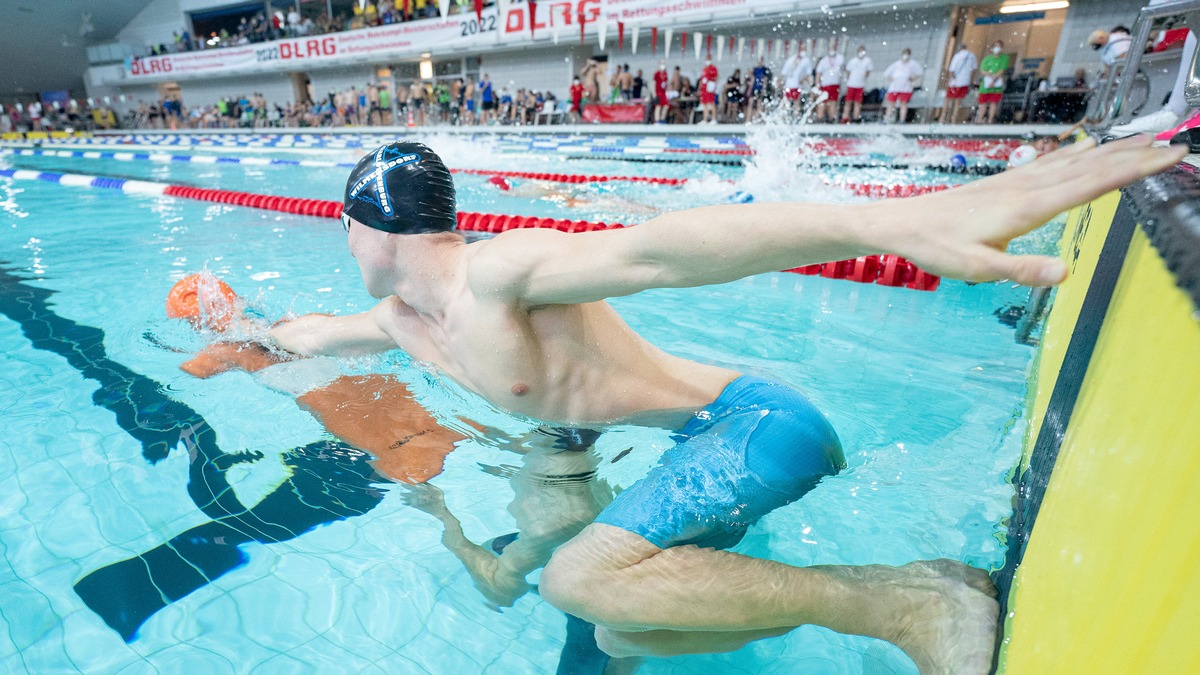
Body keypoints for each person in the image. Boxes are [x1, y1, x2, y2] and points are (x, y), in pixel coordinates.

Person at [260, 136, 1185, 673]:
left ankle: (897, 607)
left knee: (572, 582)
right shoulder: (401, 317)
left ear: (363, 223)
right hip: (705, 447)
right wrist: (246, 333)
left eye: (343, 225)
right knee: (623, 626)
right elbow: (312, 334)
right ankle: (920, 583)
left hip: (756, 425)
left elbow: (666, 247)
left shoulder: (495, 273)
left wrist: (877, 223)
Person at [883, 48, 923, 123]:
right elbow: (886, 73)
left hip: (905, 88)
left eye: (907, 54)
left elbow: (920, 72)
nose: (905, 56)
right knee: (891, 103)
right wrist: (892, 79)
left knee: (903, 103)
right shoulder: (897, 64)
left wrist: (913, 78)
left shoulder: (912, 64)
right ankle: (886, 119)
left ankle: (902, 120)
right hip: (895, 87)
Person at [942, 43, 977, 124]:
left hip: (955, 81)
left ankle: (943, 117)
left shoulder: (957, 56)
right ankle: (954, 118)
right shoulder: (972, 56)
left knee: (947, 99)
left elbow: (951, 70)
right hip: (965, 81)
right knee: (958, 101)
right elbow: (974, 69)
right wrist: (970, 81)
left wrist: (950, 80)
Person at [975, 41, 1008, 124]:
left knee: (994, 102)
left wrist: (994, 80)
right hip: (985, 84)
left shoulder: (1004, 58)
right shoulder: (986, 59)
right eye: (995, 46)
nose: (997, 48)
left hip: (996, 84)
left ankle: (990, 120)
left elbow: (1002, 70)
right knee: (983, 103)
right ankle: (980, 119)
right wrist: (990, 75)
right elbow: (982, 70)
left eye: (999, 46)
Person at [841, 46, 872, 123]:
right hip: (851, 85)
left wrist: (863, 78)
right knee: (848, 102)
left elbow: (868, 72)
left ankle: (856, 117)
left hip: (860, 85)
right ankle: (845, 117)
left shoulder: (867, 61)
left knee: (857, 103)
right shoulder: (852, 61)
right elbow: (848, 71)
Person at [781, 47, 814, 117]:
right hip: (788, 85)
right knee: (786, 102)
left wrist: (803, 80)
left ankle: (795, 117)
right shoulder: (790, 60)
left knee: (796, 101)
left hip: (797, 85)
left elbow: (808, 73)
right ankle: (784, 117)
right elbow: (784, 73)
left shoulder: (806, 60)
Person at [815, 46, 845, 123]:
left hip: (834, 85)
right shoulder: (823, 61)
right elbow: (818, 73)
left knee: (833, 102)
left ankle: (831, 118)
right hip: (825, 85)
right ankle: (819, 117)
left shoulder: (839, 58)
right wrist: (817, 85)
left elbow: (843, 68)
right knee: (823, 102)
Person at [748, 56, 773, 123]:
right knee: (751, 103)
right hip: (754, 88)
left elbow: (765, 80)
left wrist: (763, 89)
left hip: (760, 89)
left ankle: (757, 118)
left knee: (759, 104)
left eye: (761, 60)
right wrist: (750, 89)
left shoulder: (764, 69)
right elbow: (752, 80)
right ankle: (748, 119)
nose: (760, 62)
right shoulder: (754, 69)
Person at [697, 58, 719, 124]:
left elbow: (716, 77)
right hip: (704, 89)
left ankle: (714, 119)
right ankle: (705, 119)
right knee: (704, 104)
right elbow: (701, 79)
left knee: (711, 103)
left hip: (709, 88)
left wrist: (713, 85)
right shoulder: (704, 69)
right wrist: (699, 89)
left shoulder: (713, 68)